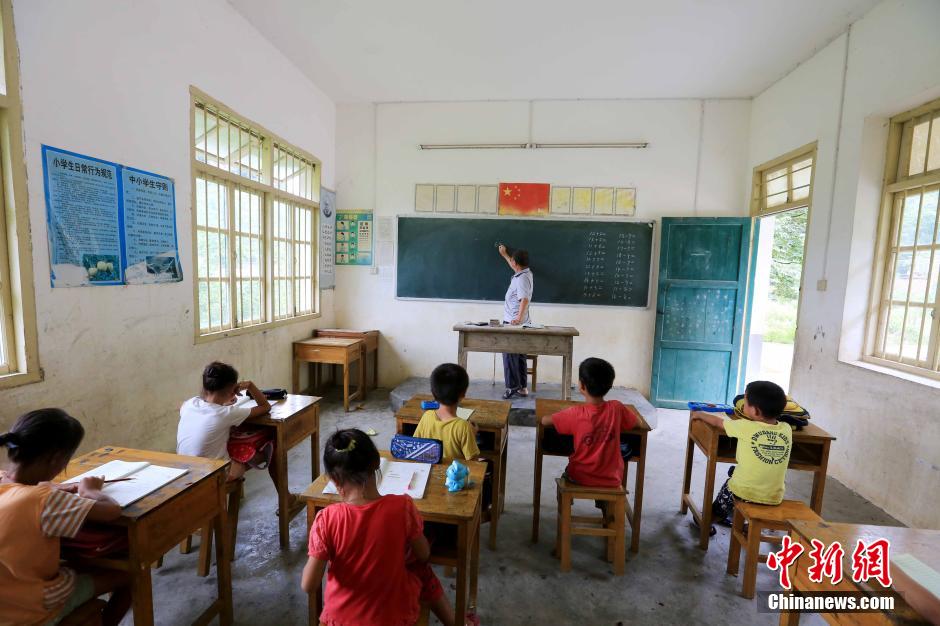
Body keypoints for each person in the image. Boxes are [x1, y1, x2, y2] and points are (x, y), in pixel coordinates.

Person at [302, 429, 474, 626]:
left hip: (340, 620)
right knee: (419, 569)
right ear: (377, 464)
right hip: (393, 618)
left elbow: (309, 585)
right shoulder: (402, 507)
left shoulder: (326, 519)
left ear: (333, 479)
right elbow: (424, 554)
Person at [0, 409, 131, 626]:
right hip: (28, 607)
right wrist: (89, 491)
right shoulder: (44, 499)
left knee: (78, 565)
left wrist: (53, 486)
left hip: (6, 599)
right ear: (56, 459)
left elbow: (24, 490)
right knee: (128, 574)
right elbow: (111, 511)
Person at [177, 362, 295, 509]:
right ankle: (285, 498)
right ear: (232, 390)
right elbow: (265, 407)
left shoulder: (190, 404)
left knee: (232, 441)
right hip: (212, 476)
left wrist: (224, 402)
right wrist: (250, 386)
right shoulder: (226, 414)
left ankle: (286, 497)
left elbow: (192, 408)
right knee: (271, 445)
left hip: (185, 470)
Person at [691, 380, 791, 532]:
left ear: (756, 411)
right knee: (737, 472)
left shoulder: (745, 426)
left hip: (743, 491)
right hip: (773, 496)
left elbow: (718, 422)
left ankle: (709, 519)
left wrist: (699, 414)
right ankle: (748, 524)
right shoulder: (787, 429)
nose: (743, 405)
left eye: (745, 402)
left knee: (732, 484)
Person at [540, 358, 638, 491]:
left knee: (564, 477)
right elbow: (635, 422)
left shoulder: (575, 413)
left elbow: (544, 421)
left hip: (579, 477)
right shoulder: (617, 408)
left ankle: (564, 508)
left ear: (581, 386)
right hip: (612, 479)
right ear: (609, 385)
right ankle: (605, 505)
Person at [413, 363, 480, 461]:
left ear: (433, 392)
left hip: (429, 472)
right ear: (463, 394)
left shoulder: (427, 416)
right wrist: (472, 435)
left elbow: (415, 444)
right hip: (454, 476)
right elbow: (473, 462)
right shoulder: (464, 427)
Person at [497, 244, 533, 399]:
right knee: (519, 355)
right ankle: (523, 387)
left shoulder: (522, 278)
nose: (511, 262)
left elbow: (524, 299)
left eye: (512, 260)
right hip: (520, 323)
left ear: (516, 263)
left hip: (514, 323)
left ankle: (512, 387)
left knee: (510, 354)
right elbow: (514, 268)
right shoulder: (524, 273)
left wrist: (517, 318)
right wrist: (505, 255)